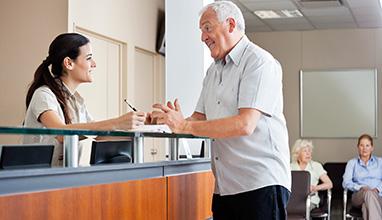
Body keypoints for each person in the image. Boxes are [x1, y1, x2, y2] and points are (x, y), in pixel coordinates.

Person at [151, 1, 291, 219]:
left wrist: (184, 125)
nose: (202, 37)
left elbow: (245, 124)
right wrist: (168, 121)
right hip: (225, 187)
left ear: (231, 25)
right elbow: (198, 119)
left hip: (260, 184)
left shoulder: (259, 63)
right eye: (201, 31)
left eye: (207, 28)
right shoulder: (213, 71)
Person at [23, 33, 147, 166]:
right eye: (89, 58)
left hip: (64, 177)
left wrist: (139, 126)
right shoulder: (43, 95)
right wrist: (117, 122)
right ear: (69, 63)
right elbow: (61, 133)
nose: (94, 64)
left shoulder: (77, 100)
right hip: (38, 180)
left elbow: (99, 135)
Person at [343, 134, 382, 220]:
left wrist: (377, 189)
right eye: (361, 145)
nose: (364, 148)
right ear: (358, 147)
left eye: (367, 145)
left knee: (366, 207)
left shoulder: (380, 162)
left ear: (372, 148)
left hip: (379, 196)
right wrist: (362, 187)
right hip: (359, 196)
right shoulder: (352, 163)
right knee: (368, 193)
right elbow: (346, 183)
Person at [290, 139, 333, 209]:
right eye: (305, 151)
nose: (308, 153)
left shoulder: (316, 166)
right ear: (297, 153)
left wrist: (315, 188)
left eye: (309, 151)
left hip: (310, 200)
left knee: (301, 208)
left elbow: (329, 184)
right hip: (292, 200)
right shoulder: (290, 167)